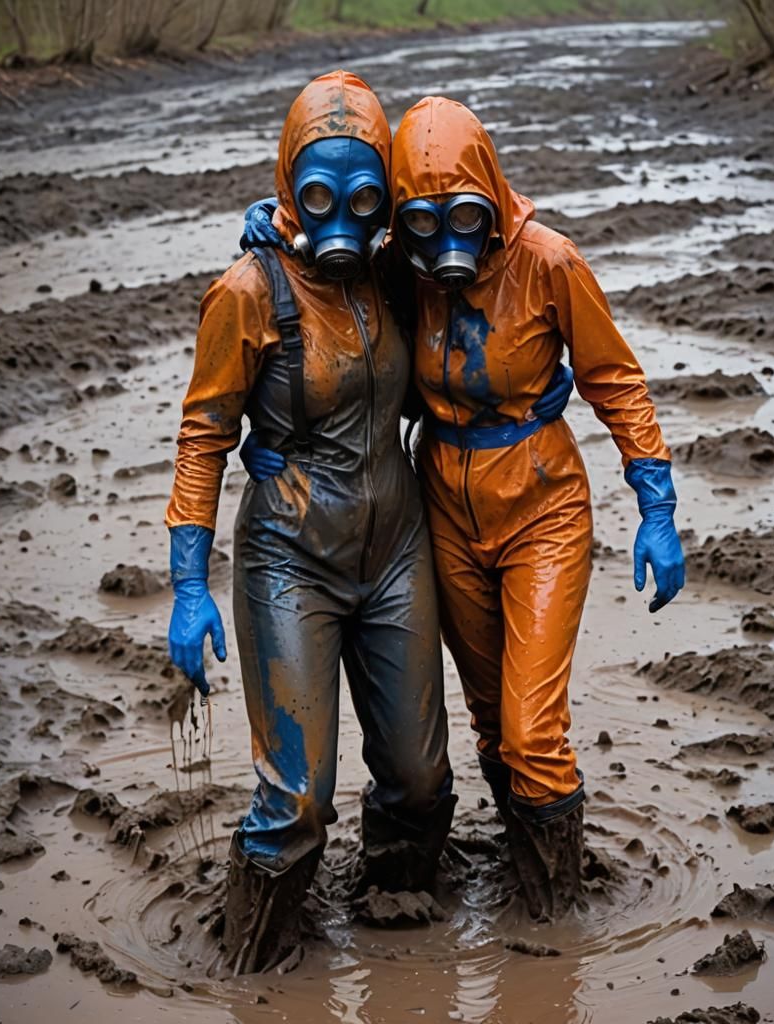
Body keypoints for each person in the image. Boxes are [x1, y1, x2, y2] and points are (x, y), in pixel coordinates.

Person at [239, 96, 682, 923]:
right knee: (487, 720)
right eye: (424, 223)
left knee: (531, 726)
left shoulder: (549, 262)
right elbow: (331, 318)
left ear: (494, 197)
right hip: (442, 497)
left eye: (467, 218)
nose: (449, 245)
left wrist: (654, 499)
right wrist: (273, 220)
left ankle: (558, 915)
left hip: (541, 502)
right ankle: (522, 864)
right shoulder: (397, 268)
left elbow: (615, 378)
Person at [164, 71, 458, 975]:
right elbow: (202, 436)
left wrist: (526, 387)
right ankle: (258, 964)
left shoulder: (394, 271)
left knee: (417, 771)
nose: (343, 217)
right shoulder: (248, 291)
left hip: (397, 547)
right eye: (318, 194)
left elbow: (480, 243)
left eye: (363, 196)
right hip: (290, 554)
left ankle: (398, 903)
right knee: (298, 795)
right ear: (291, 183)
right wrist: (186, 585)